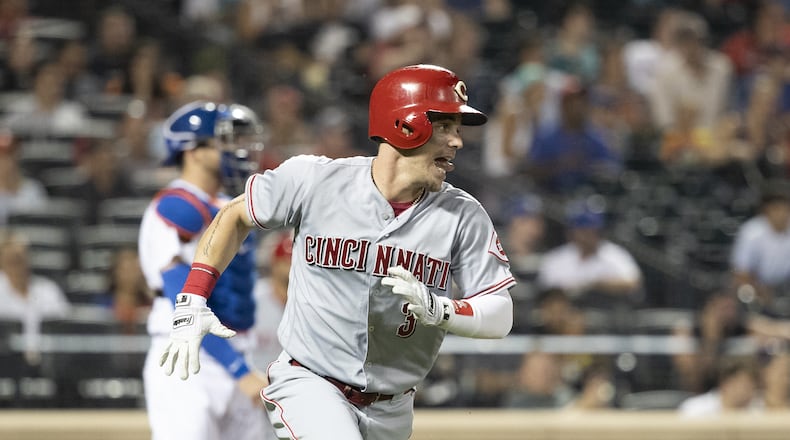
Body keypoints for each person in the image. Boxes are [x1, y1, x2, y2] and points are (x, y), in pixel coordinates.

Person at [158, 64, 516, 440]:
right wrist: (193, 297)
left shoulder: (464, 215)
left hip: (393, 406)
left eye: (457, 129)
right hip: (309, 383)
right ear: (405, 124)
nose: (457, 141)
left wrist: (441, 309)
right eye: (445, 126)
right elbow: (234, 216)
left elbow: (500, 313)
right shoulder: (316, 181)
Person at [138, 100, 271, 440]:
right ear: (193, 150)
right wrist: (238, 369)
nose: (236, 150)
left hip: (238, 349)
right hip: (187, 357)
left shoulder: (231, 204)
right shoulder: (175, 206)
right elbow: (185, 303)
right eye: (224, 141)